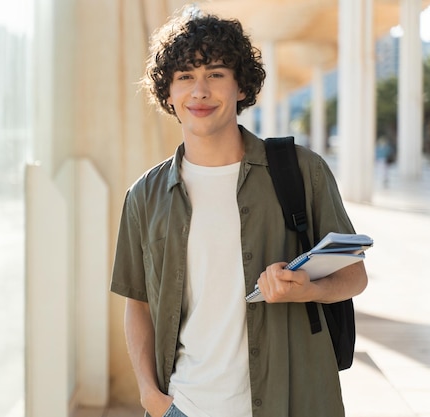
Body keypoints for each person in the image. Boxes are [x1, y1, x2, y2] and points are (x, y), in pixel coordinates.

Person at [110, 6, 368, 417]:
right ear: (168, 93)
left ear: (241, 87)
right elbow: (137, 303)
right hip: (184, 407)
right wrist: (150, 396)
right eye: (184, 77)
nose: (199, 91)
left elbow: (354, 276)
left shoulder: (300, 171)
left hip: (291, 400)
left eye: (215, 74)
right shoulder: (145, 195)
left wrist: (308, 288)